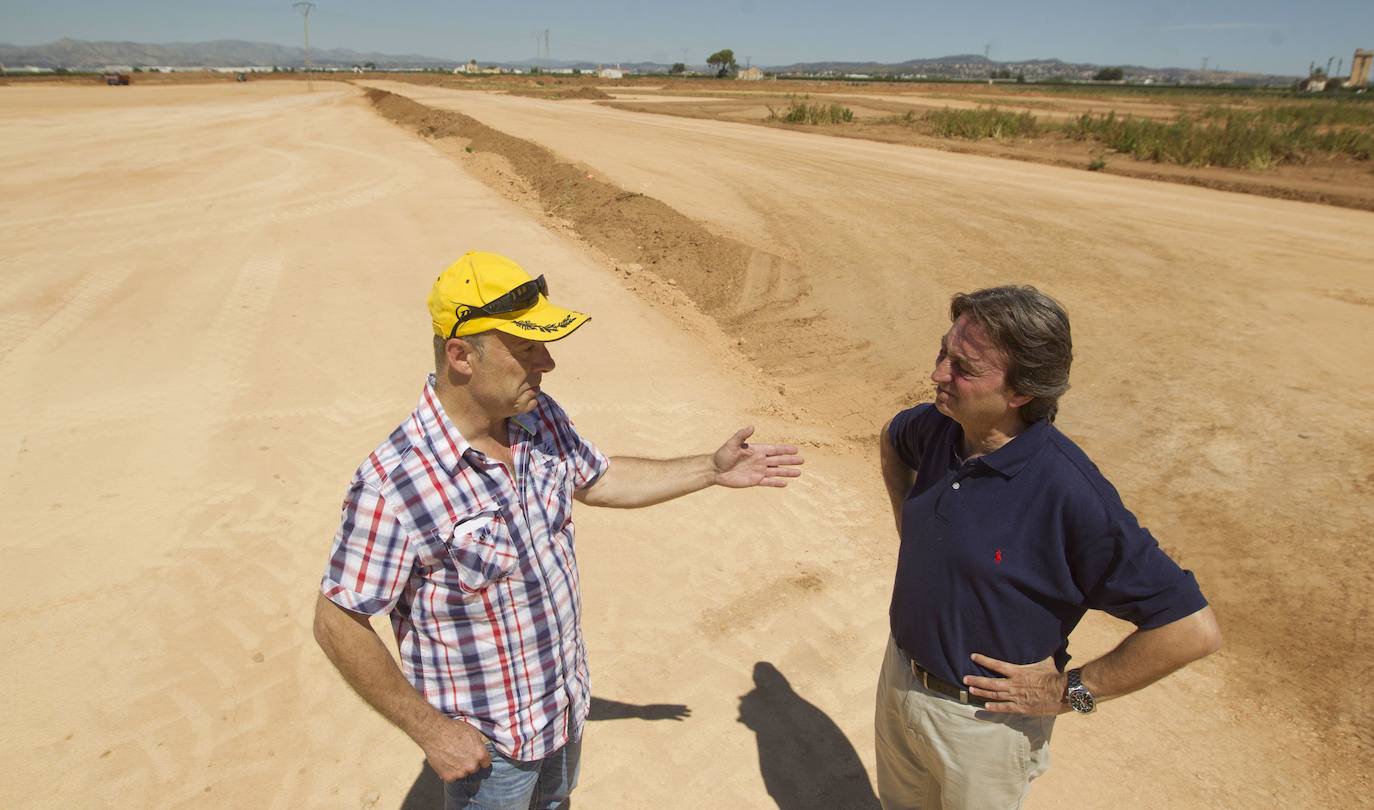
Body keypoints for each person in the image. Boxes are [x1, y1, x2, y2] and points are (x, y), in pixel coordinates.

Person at [313, 251, 803, 810]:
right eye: (526, 348)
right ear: (460, 356)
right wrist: (432, 733)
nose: (546, 363)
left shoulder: (536, 416)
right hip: (491, 752)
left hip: (563, 715)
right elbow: (337, 620)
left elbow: (598, 479)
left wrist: (709, 470)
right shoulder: (396, 484)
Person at [875, 285, 1222, 810]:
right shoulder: (938, 428)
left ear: (1021, 393)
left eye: (963, 368)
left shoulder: (1070, 494)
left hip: (984, 730)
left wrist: (1069, 692)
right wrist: (912, 530)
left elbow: (1190, 630)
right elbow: (890, 437)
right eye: (943, 352)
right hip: (900, 679)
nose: (938, 375)